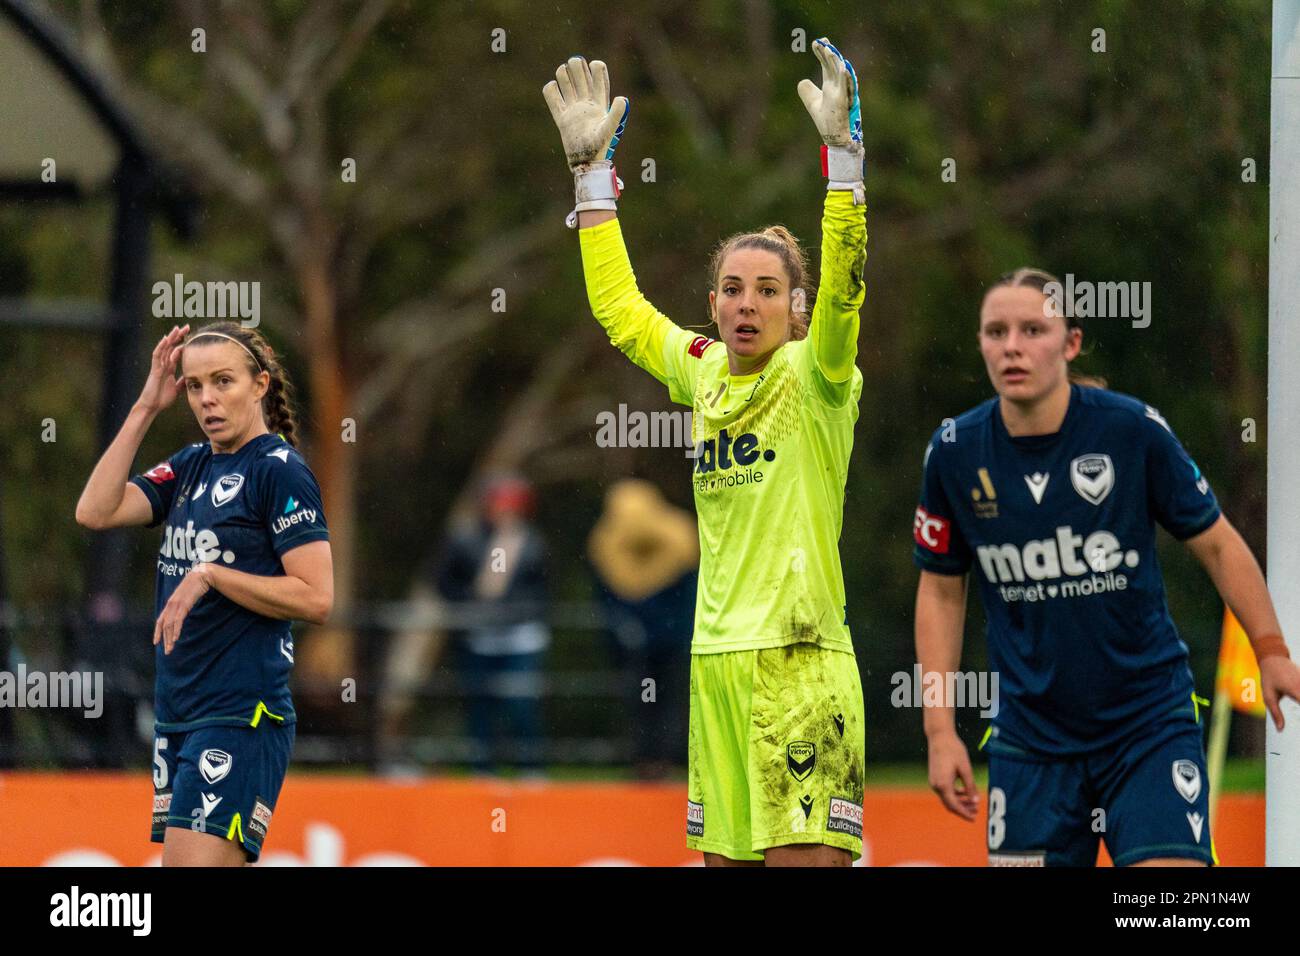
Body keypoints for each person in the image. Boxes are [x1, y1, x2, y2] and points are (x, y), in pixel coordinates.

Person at [544, 38, 868, 866]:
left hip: (800, 659)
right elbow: (621, 310)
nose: (747, 304)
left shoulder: (818, 370)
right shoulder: (703, 373)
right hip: (715, 664)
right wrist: (591, 181)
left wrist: (843, 164)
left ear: (798, 311)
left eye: (768, 291)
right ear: (714, 306)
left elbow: (846, 286)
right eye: (731, 288)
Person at [913, 267, 1300, 866]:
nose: (1012, 345)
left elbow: (1219, 544)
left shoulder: (1130, 431)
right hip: (1030, 745)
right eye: (996, 331)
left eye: (1032, 329)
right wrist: (939, 731)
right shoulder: (955, 452)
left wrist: (1271, 650)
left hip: (1147, 727)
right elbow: (941, 593)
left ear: (1070, 342)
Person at [75, 320, 333, 866]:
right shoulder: (191, 465)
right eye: (194, 386)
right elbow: (95, 510)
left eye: (223, 381)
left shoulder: (278, 471)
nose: (207, 399)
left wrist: (211, 574)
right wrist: (147, 406)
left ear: (260, 385)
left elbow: (316, 597)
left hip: (242, 715)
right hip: (180, 716)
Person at [436, 474, 550, 774]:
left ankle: (530, 768)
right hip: (479, 635)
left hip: (520, 635)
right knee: (480, 704)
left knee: (521, 702)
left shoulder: (531, 543)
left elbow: (544, 588)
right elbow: (445, 583)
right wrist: (470, 607)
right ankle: (482, 769)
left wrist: (519, 611)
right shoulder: (465, 539)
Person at [588, 478, 698, 778]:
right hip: (636, 643)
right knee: (640, 701)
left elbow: (688, 596)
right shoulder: (608, 545)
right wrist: (623, 629)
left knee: (667, 700)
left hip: (667, 639)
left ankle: (664, 758)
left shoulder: (678, 539)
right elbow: (607, 600)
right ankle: (643, 759)